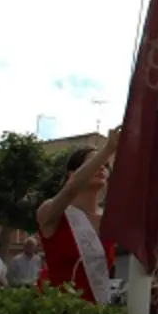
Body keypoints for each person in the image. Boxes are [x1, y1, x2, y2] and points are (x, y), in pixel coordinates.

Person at [36, 130, 120, 304]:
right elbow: (70, 189)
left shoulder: (110, 221)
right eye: (93, 163)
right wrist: (108, 149)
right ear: (71, 174)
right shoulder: (52, 212)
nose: (101, 167)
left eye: (105, 165)